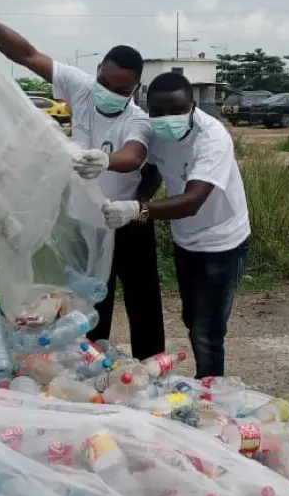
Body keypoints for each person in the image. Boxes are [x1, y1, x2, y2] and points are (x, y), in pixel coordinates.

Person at [0, 0, 167, 361]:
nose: (109, 93)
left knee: (143, 303)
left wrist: (105, 161)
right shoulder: (80, 89)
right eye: (106, 83)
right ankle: (91, 368)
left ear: (135, 89)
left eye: (121, 90)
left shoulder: (136, 120)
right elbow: (27, 55)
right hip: (84, 223)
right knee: (88, 307)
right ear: (98, 72)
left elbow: (135, 155)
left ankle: (152, 371)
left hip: (125, 222)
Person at [82, 72, 251, 379]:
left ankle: (210, 395)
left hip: (221, 242)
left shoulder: (212, 139)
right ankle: (204, 386)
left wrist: (138, 209)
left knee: (207, 331)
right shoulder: (158, 133)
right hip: (185, 241)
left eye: (175, 110)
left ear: (192, 105)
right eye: (157, 111)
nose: (165, 118)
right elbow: (153, 168)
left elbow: (193, 199)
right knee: (191, 317)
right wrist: (140, 195)